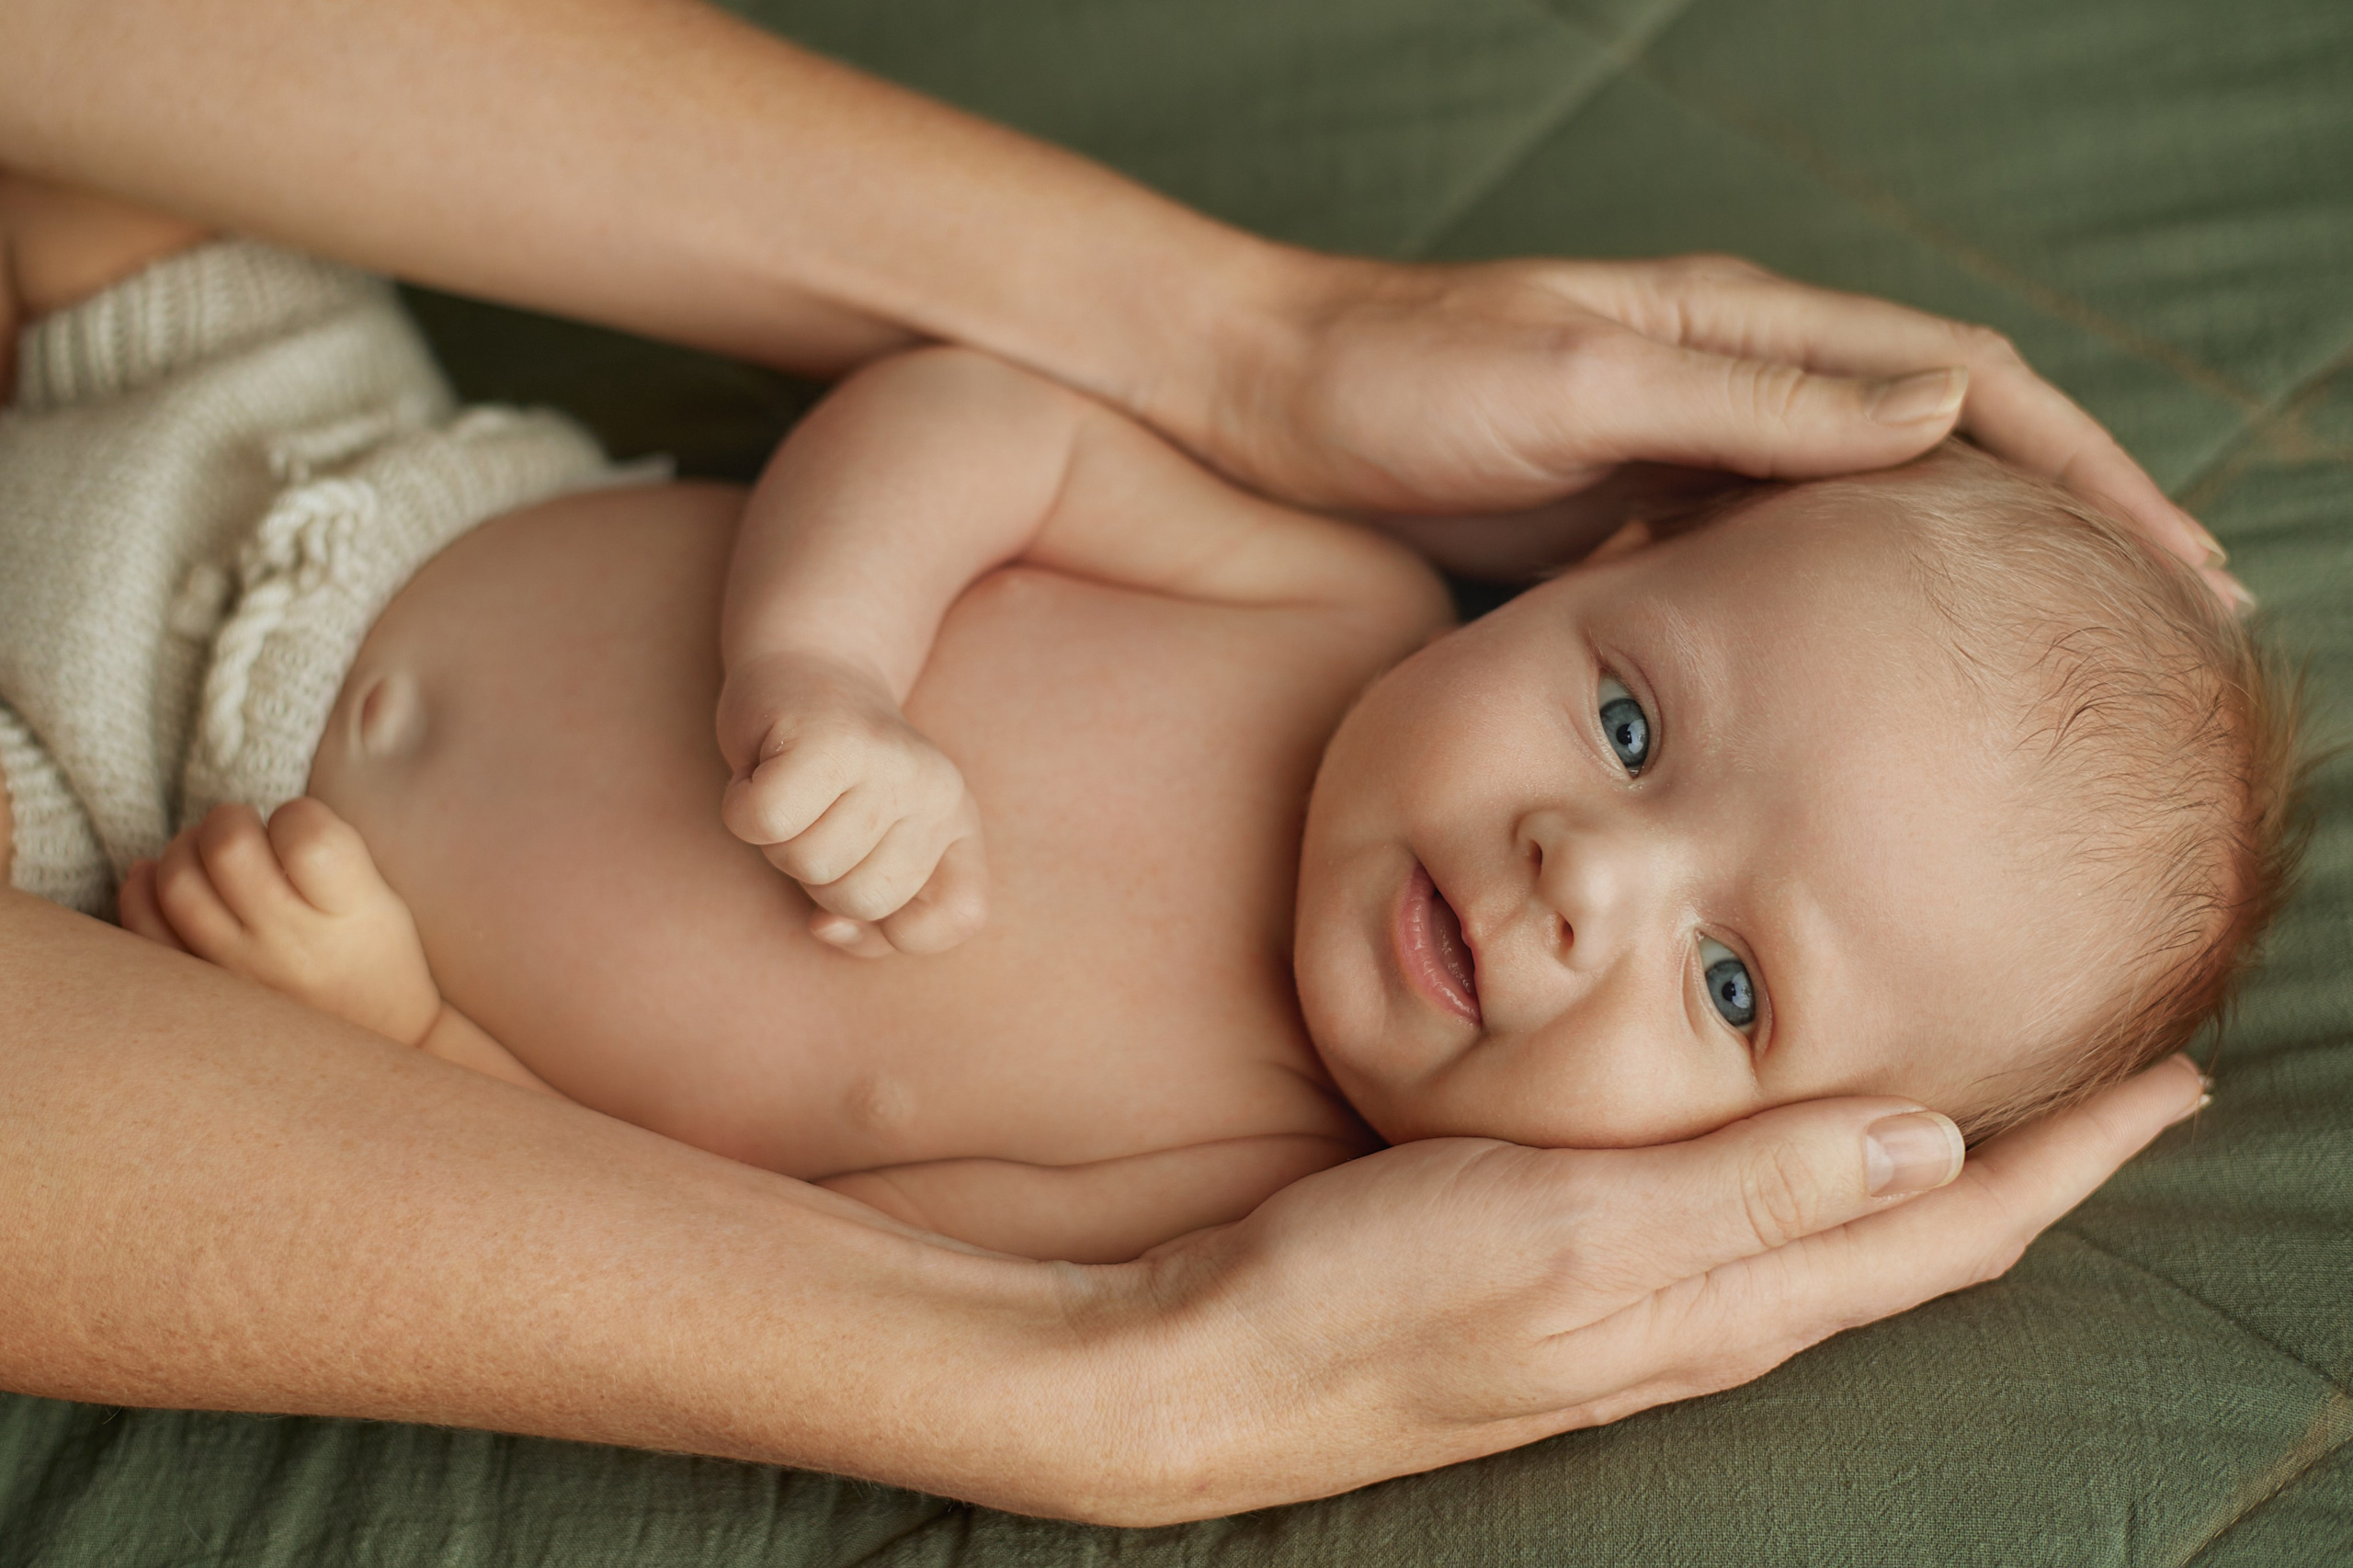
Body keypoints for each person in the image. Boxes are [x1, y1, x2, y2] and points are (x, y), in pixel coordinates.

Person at [0, 0, 2216, 1526]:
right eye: (1628, 721)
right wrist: (825, 654)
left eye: (1728, 988)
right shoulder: (1324, 604)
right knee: (112, 136)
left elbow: (731, 1236)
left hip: (137, 808)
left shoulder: (1215, 1193)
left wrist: (401, 1029)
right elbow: (977, 423)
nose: (1581, 872)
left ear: (1763, 1175)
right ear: (1601, 557)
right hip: (330, 440)